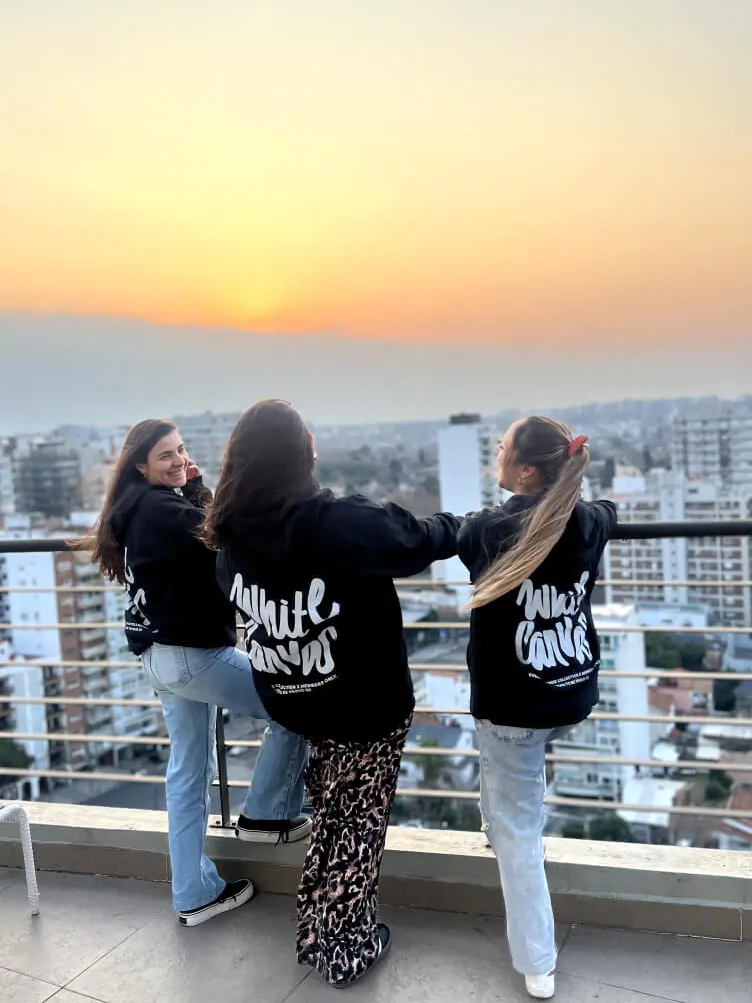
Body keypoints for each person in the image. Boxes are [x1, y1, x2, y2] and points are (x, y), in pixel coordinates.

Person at [204, 399, 461, 989]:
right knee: (360, 821)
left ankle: (319, 927)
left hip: (298, 698)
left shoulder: (230, 535)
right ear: (304, 453)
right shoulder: (337, 522)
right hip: (364, 703)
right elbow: (416, 541)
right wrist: (470, 527)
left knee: (333, 815)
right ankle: (345, 948)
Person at [75, 418, 310, 927]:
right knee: (296, 701)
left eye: (182, 450)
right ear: (140, 464)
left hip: (159, 657)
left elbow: (199, 535)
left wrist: (193, 484)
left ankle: (193, 892)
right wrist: (203, 489)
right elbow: (222, 537)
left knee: (187, 773)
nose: (179, 460)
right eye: (166, 455)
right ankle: (268, 814)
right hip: (189, 655)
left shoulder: (137, 507)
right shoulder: (161, 510)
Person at [457, 416, 616, 1000]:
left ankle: (537, 961)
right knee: (508, 797)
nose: (495, 453)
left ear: (524, 470)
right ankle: (497, 825)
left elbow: (465, 533)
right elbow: (607, 511)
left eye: (501, 447)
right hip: (569, 687)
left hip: (513, 708)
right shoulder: (588, 521)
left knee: (520, 829)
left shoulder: (486, 531)